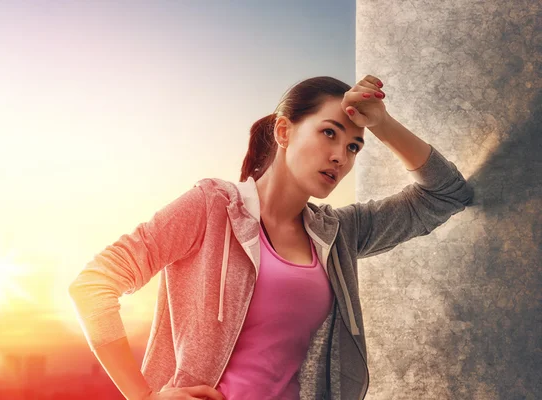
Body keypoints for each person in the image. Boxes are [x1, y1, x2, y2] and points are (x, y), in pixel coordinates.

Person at [68, 75, 474, 400]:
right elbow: (93, 285)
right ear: (284, 131)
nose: (340, 156)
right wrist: (143, 396)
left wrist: (381, 123)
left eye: (354, 147)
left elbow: (446, 193)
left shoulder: (339, 235)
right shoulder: (212, 207)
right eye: (329, 133)